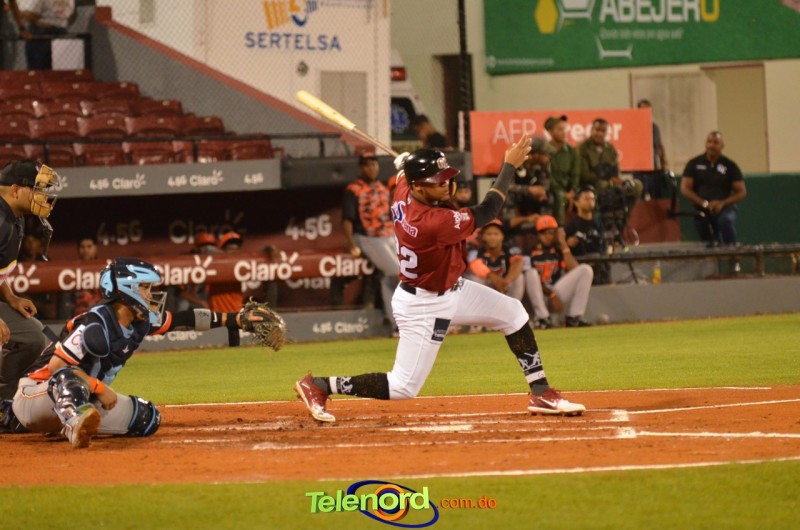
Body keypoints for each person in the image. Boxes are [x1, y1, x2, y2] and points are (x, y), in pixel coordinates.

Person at [293, 138, 586, 423]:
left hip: (451, 289)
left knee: (514, 313)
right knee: (403, 387)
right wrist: (508, 166)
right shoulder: (433, 222)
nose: (446, 184)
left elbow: (405, 178)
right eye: (437, 181)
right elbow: (489, 210)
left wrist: (404, 166)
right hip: (424, 304)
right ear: (419, 186)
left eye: (446, 177)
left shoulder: (404, 189)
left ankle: (540, 392)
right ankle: (320, 385)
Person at [10, 258, 276, 447]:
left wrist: (235, 320)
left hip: (81, 398)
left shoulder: (140, 321)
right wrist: (98, 387)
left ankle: (68, 420)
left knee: (147, 418)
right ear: (127, 290)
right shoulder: (95, 322)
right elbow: (57, 368)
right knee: (69, 377)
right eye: (146, 288)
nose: (151, 295)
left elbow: (184, 319)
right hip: (35, 396)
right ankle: (61, 419)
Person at [0, 160, 59, 402]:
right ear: (15, 190)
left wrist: (11, 297)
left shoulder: (15, 217)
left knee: (34, 338)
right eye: (36, 189)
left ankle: (4, 401)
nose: (42, 196)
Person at [341, 151, 399, 331]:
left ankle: (397, 323)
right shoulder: (354, 189)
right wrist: (351, 244)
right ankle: (400, 322)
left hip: (389, 234)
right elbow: (347, 219)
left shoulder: (382, 187)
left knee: (395, 276)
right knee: (397, 272)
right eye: (367, 164)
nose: (372, 167)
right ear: (361, 168)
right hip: (368, 237)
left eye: (374, 163)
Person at [524, 215, 593, 329]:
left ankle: (574, 318)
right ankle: (543, 319)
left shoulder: (558, 250)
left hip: (556, 292)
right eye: (544, 233)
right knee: (531, 273)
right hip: (537, 296)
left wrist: (563, 243)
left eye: (551, 233)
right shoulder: (528, 252)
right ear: (538, 235)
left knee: (586, 270)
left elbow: (574, 269)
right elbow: (527, 279)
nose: (548, 236)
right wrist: (552, 294)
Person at [680, 131, 747, 247]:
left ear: (722, 145)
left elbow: (741, 191)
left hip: (725, 208)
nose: (711, 145)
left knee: (725, 221)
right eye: (709, 142)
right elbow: (685, 188)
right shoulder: (694, 164)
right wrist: (704, 204)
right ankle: (712, 253)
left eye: (715, 142)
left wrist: (722, 203)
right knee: (703, 229)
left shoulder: (730, 165)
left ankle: (733, 252)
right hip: (702, 208)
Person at [578, 118, 643, 206]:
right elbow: (585, 175)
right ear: (591, 130)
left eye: (603, 131)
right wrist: (608, 182)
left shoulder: (610, 148)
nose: (600, 134)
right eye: (597, 130)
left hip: (612, 182)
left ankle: (626, 212)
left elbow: (616, 169)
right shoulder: (582, 148)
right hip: (594, 183)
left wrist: (618, 180)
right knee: (603, 186)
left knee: (637, 185)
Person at [465, 220, 525, 302]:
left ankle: (513, 307)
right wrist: (492, 276)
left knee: (519, 277)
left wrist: (506, 281)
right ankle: (482, 308)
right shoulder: (476, 251)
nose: (492, 237)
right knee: (474, 278)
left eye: (496, 234)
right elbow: (475, 265)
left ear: (502, 236)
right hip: (487, 288)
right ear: (483, 236)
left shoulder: (511, 250)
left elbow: (518, 263)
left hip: (505, 285)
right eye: (489, 234)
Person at [503, 136, 550, 238]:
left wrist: (542, 191)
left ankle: (545, 226)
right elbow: (505, 185)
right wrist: (528, 189)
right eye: (543, 154)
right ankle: (509, 225)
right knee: (509, 195)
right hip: (518, 195)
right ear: (535, 154)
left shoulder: (541, 164)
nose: (546, 157)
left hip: (533, 196)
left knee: (549, 197)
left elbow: (545, 182)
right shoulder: (514, 160)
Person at [9, 0, 75, 70]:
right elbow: (69, 16)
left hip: (42, 32)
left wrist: (26, 14)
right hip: (61, 31)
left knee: (38, 66)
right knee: (59, 67)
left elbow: (34, 16)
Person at [564, 186, 609, 285]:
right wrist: (568, 244)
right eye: (586, 199)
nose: (590, 202)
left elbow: (604, 245)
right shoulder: (571, 225)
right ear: (576, 202)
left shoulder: (598, 223)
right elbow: (563, 248)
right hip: (581, 270)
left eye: (592, 199)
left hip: (600, 269)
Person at [208, 231, 245, 345]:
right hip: (218, 317)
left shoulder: (242, 264)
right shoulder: (212, 263)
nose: (234, 251)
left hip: (237, 315)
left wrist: (269, 248)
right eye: (230, 248)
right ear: (222, 250)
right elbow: (207, 250)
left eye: (236, 249)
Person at [545, 115, 580, 226]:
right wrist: (563, 193)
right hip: (551, 188)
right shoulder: (545, 150)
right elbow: (547, 175)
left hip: (569, 190)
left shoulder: (572, 151)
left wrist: (573, 191)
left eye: (564, 129)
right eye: (559, 129)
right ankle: (559, 229)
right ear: (550, 131)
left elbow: (575, 174)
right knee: (559, 197)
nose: (564, 132)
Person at [635, 99, 668, 200]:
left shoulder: (655, 128)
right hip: (640, 169)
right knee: (640, 197)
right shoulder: (634, 127)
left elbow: (659, 146)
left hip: (655, 169)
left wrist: (663, 163)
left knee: (657, 196)